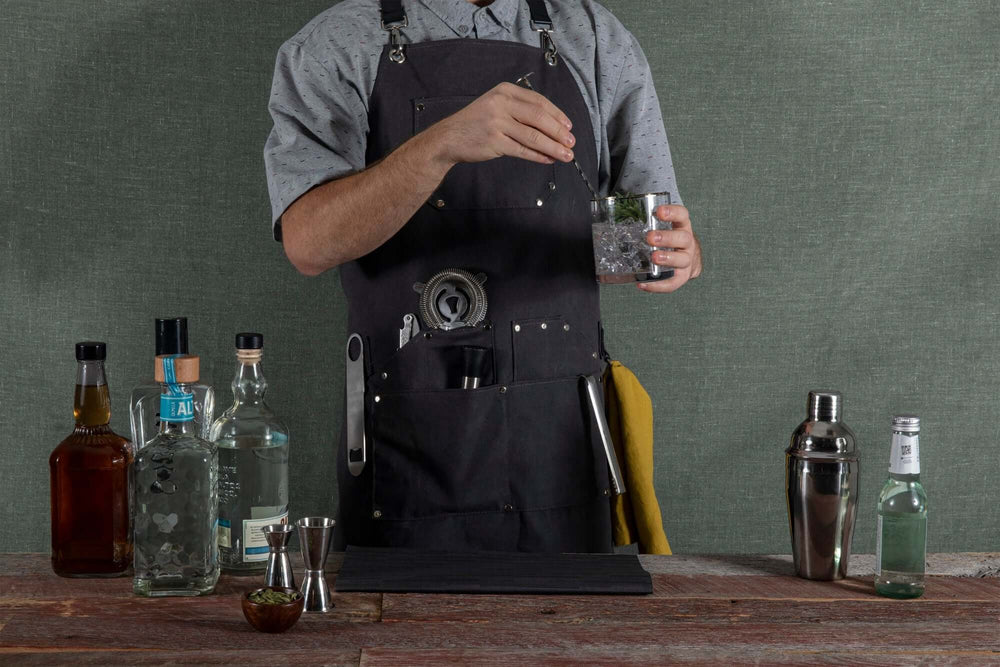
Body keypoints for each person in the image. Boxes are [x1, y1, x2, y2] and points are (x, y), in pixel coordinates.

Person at [264, 0, 703, 553]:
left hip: (560, 444)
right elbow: (308, 243)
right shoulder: (335, 44)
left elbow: (640, 238)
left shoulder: (593, 38)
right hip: (406, 443)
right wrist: (441, 144)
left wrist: (677, 253)